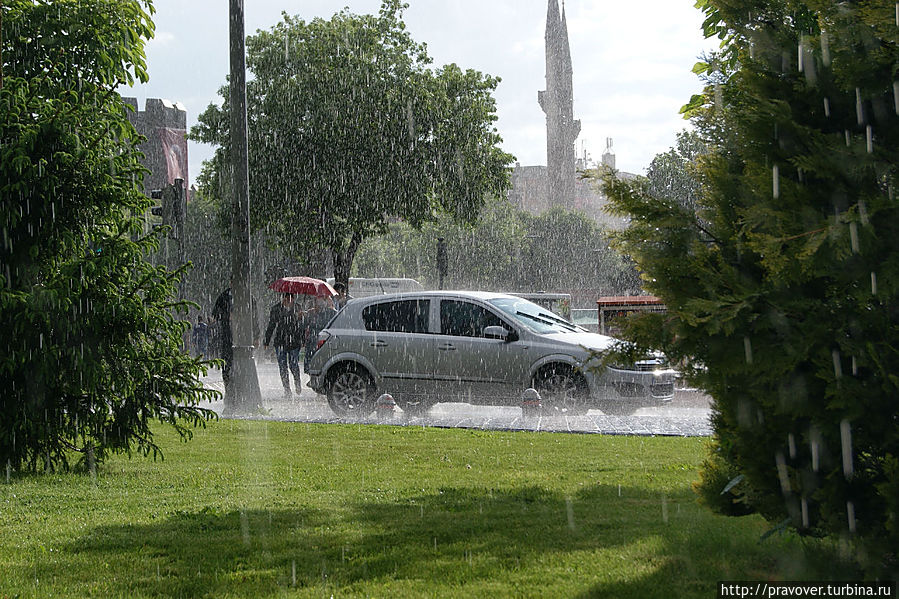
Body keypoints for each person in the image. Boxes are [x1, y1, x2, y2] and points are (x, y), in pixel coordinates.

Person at [263, 293, 304, 398]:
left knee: (293, 364)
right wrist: (266, 341)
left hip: (294, 341)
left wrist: (303, 338)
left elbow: (302, 325)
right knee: (282, 366)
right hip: (280, 341)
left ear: (293, 299)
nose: (289, 301)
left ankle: (297, 382)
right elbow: (271, 325)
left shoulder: (297, 308)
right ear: (283, 298)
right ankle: (287, 390)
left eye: (291, 299)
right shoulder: (276, 309)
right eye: (287, 298)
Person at [304, 295, 338, 373]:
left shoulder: (332, 313)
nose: (318, 304)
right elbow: (305, 325)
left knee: (320, 361)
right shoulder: (311, 313)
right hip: (314, 341)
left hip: (322, 340)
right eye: (316, 301)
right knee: (313, 361)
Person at [212, 287, 233, 388]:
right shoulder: (224, 296)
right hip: (226, 336)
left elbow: (254, 316)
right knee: (226, 364)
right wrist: (227, 316)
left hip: (243, 339)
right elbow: (215, 314)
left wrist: (256, 335)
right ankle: (228, 388)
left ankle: (238, 389)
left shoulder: (248, 296)